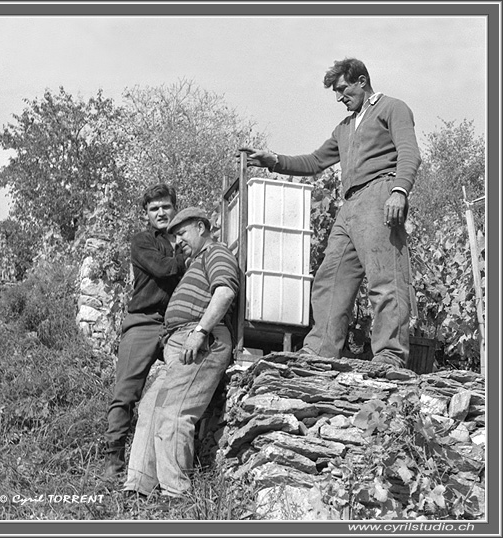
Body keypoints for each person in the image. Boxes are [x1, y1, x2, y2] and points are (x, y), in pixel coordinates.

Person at [241, 57, 421, 369]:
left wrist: (399, 190)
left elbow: (409, 152)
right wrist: (274, 160)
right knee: (329, 279)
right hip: (349, 206)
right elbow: (315, 162)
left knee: (385, 278)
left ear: (361, 81)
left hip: (380, 193)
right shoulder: (344, 128)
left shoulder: (392, 108)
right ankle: (319, 352)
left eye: (342, 89)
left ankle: (389, 355)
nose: (339, 98)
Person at [123, 207, 240, 498]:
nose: (178, 241)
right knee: (149, 408)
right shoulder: (195, 262)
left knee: (174, 412)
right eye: (174, 236)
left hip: (201, 341)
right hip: (180, 344)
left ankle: (176, 493)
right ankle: (139, 488)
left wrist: (200, 331)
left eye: (182, 233)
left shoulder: (216, 252)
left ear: (201, 227)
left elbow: (224, 292)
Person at [103, 183, 186, 479]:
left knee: (184, 388)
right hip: (143, 321)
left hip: (176, 325)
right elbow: (164, 269)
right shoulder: (142, 241)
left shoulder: (184, 239)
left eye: (166, 206)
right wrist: (183, 256)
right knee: (126, 393)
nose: (161, 212)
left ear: (175, 208)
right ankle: (113, 463)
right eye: (154, 209)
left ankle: (173, 466)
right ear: (146, 214)